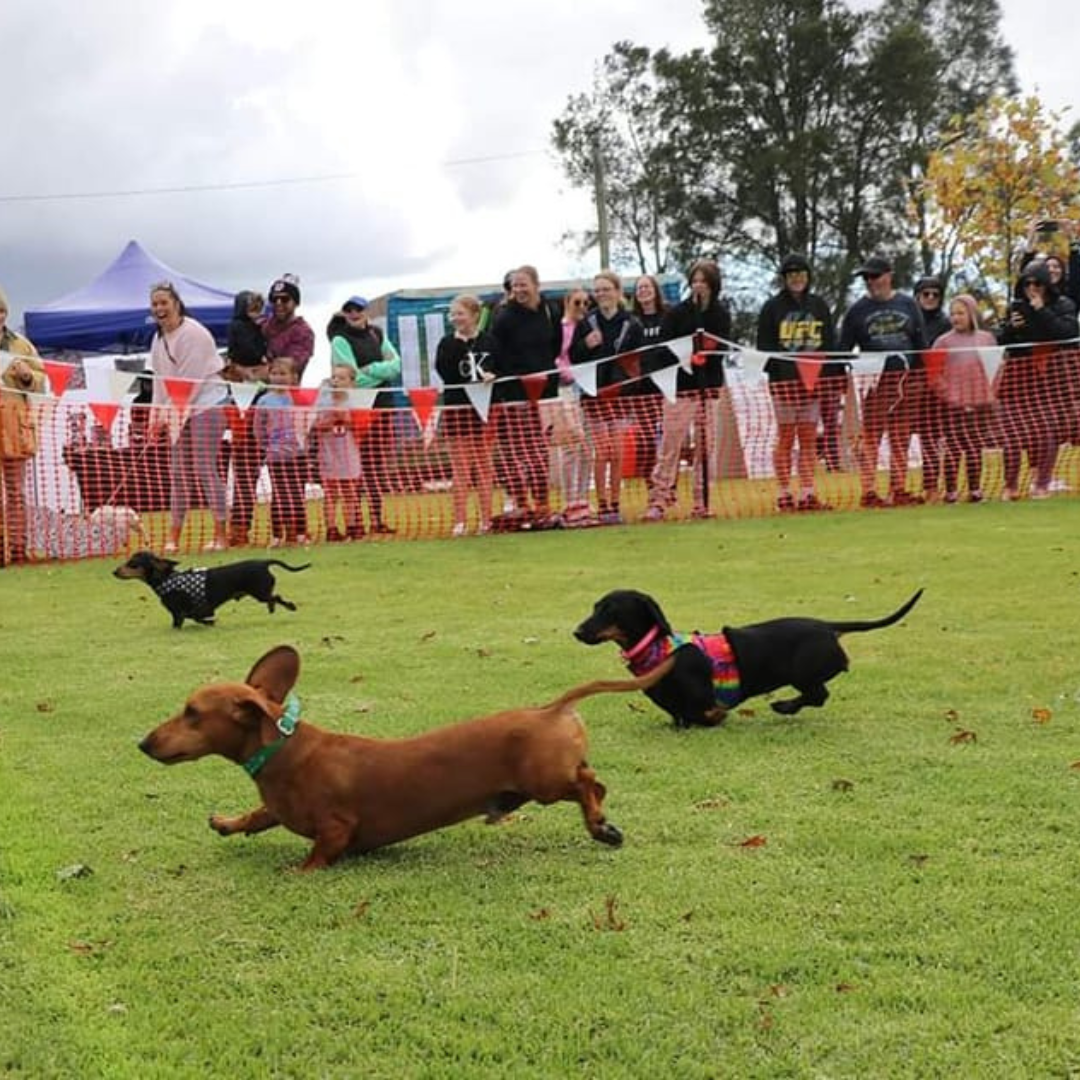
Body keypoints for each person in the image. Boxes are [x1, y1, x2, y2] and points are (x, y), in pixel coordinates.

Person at [644, 259, 731, 521]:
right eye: (695, 280)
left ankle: (701, 500)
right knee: (671, 445)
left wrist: (707, 361)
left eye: (704, 281)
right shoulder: (676, 314)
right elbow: (662, 350)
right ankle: (659, 498)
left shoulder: (720, 315)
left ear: (713, 286)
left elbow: (722, 349)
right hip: (679, 389)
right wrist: (684, 358)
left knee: (705, 448)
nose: (699, 285)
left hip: (708, 389)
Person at [147, 281, 230, 552]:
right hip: (178, 406)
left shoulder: (193, 334)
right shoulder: (158, 339)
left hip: (206, 403)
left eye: (164, 303)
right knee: (178, 472)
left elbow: (189, 383)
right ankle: (173, 536)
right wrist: (154, 418)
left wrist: (168, 416)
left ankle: (221, 533)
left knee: (204, 467)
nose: (160, 308)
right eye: (155, 304)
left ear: (176, 304)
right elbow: (160, 382)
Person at [839, 255, 927, 507]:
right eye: (866, 278)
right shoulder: (856, 311)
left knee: (901, 435)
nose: (870, 282)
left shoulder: (908, 305)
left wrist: (921, 377)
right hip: (873, 381)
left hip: (907, 379)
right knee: (871, 436)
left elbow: (921, 344)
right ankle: (869, 491)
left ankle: (898, 488)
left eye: (875, 276)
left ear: (889, 276)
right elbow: (843, 348)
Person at [755, 253, 836, 511]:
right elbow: (763, 348)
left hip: (812, 383)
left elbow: (830, 343)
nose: (797, 280)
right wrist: (780, 375)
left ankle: (808, 492)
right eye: (791, 275)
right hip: (784, 384)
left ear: (808, 277)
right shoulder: (771, 308)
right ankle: (783, 492)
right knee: (786, 437)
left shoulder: (819, 306)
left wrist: (826, 375)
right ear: (784, 279)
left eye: (801, 275)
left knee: (810, 437)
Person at [997, 259, 1078, 499]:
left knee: (1047, 430)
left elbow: (1068, 333)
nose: (1032, 288)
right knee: (1012, 434)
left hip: (1048, 377)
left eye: (1037, 284)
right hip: (1017, 378)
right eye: (1027, 283)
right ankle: (1009, 486)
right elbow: (1002, 340)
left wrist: (1041, 310)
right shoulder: (1016, 307)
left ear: (1046, 285)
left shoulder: (1063, 304)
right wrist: (1011, 328)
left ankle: (1041, 484)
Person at [571, 270, 644, 524]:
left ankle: (615, 503)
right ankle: (601, 504)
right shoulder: (586, 323)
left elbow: (637, 361)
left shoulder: (631, 323)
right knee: (601, 452)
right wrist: (585, 345)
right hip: (593, 395)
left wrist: (627, 385)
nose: (601, 294)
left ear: (617, 292)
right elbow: (574, 358)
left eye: (606, 289)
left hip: (620, 395)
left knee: (617, 451)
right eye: (598, 290)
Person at [491, 265, 561, 529]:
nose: (519, 290)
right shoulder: (504, 317)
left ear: (536, 285)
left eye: (523, 284)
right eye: (515, 285)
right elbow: (495, 351)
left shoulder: (550, 309)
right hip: (515, 393)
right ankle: (521, 504)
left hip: (547, 392)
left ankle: (542, 504)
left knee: (541, 451)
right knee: (518, 451)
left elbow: (555, 345)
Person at [327, 296, 402, 534]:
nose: (353, 313)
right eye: (348, 309)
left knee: (377, 466)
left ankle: (377, 519)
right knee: (355, 467)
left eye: (357, 309)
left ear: (365, 311)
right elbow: (351, 377)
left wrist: (372, 370)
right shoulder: (340, 339)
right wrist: (381, 371)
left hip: (382, 405)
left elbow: (396, 365)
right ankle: (356, 521)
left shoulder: (377, 333)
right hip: (357, 408)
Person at [433, 294, 499, 535]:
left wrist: (493, 375)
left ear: (474, 315)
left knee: (483, 467)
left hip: (483, 410)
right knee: (461, 468)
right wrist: (459, 343)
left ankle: (486, 519)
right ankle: (460, 521)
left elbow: (499, 366)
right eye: (454, 314)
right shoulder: (446, 343)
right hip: (458, 409)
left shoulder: (489, 342)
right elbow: (446, 372)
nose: (456, 318)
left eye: (461, 313)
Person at [930, 294, 996, 503]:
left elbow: (996, 368)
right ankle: (951, 491)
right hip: (954, 405)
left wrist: (990, 393)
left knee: (975, 446)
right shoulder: (943, 342)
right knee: (953, 447)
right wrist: (949, 396)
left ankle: (975, 489)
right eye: (952, 313)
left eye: (960, 313)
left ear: (972, 313)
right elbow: (934, 373)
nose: (955, 317)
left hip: (980, 402)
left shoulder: (986, 339)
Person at [0, 287, 45, 565]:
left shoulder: (22, 345)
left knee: (16, 491)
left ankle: (18, 548)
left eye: (0, 311)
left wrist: (28, 377)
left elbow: (43, 377)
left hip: (16, 426)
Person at [546, 286, 593, 527]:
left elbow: (588, 355)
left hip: (585, 389)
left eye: (586, 303)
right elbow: (553, 356)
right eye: (577, 303)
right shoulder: (557, 327)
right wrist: (565, 371)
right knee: (570, 445)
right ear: (567, 303)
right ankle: (569, 499)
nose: (582, 308)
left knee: (587, 448)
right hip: (563, 389)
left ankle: (582, 498)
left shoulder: (587, 327)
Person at [253, 356, 310, 546]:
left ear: (294, 377)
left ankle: (300, 532)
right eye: (274, 373)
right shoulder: (264, 401)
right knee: (279, 494)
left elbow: (309, 423)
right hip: (276, 456)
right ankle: (277, 535)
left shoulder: (301, 398)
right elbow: (258, 428)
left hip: (298, 455)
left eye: (283, 373)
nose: (278, 377)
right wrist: (266, 446)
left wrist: (306, 444)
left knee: (297, 494)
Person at [313, 363, 364, 542]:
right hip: (329, 453)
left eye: (341, 378)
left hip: (349, 453)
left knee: (350, 492)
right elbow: (314, 425)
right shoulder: (322, 401)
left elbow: (362, 426)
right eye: (334, 377)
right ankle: (332, 529)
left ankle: (352, 527)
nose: (336, 381)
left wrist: (347, 419)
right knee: (331, 493)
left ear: (351, 382)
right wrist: (329, 421)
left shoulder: (356, 401)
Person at [912, 276, 949, 500]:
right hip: (911, 383)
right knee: (905, 436)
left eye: (935, 294)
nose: (931, 298)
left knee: (935, 437)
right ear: (917, 296)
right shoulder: (910, 319)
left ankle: (936, 486)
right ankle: (901, 487)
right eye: (926, 294)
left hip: (939, 386)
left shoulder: (945, 323)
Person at [631, 274, 669, 482]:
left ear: (655, 290)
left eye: (647, 287)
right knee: (646, 439)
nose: (643, 291)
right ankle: (649, 481)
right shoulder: (632, 320)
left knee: (668, 438)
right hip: (642, 388)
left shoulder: (668, 316)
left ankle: (666, 481)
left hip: (667, 386)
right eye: (639, 288)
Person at [224, 290, 268, 381]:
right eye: (253, 308)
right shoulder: (239, 325)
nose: (257, 313)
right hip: (243, 368)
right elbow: (248, 348)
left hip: (253, 367)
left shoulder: (255, 325)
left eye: (259, 309)